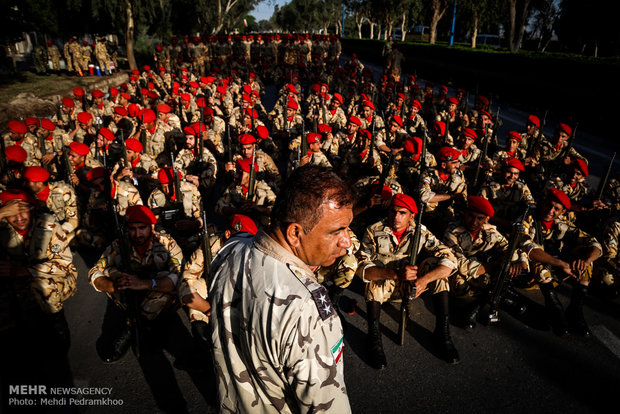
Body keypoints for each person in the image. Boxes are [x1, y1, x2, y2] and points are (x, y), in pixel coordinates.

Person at [209, 165, 353, 413]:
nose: (347, 241)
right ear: (295, 233)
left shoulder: (230, 249)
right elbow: (326, 405)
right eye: (336, 231)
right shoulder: (307, 310)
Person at [356, 193, 459, 368]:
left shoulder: (421, 231)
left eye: (402, 213)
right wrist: (394, 274)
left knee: (437, 269)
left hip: (411, 286)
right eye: (393, 211)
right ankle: (374, 338)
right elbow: (361, 267)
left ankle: (442, 333)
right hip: (385, 287)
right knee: (374, 275)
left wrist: (424, 280)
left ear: (412, 216)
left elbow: (450, 259)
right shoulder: (373, 230)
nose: (396, 217)